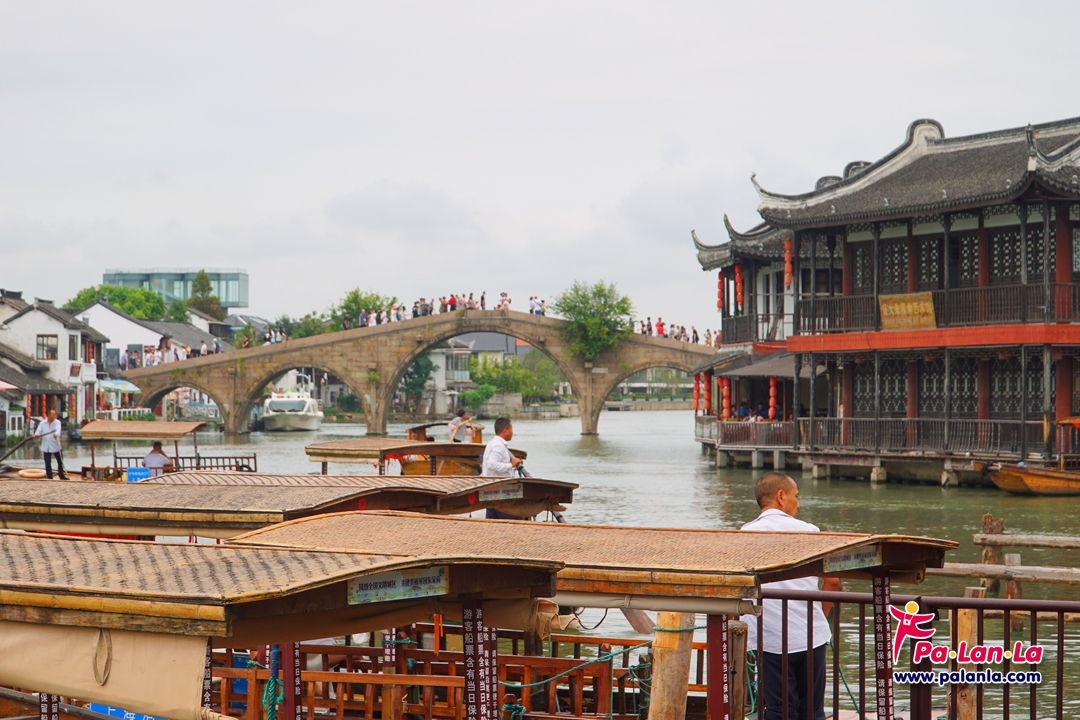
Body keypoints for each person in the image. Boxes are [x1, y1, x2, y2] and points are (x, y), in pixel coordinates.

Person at [740, 473, 840, 720]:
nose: (799, 503)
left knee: (778, 708)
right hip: (811, 634)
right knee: (812, 710)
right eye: (796, 496)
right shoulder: (809, 531)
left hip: (769, 636)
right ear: (781, 497)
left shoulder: (745, 534)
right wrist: (819, 616)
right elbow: (833, 582)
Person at [33, 409, 67, 480]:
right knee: (47, 462)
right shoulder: (43, 423)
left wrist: (56, 434)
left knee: (60, 461)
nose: (55, 416)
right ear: (49, 415)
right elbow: (38, 431)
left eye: (55, 414)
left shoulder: (57, 422)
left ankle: (61, 475)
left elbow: (58, 429)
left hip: (56, 445)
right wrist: (36, 435)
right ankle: (50, 477)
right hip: (46, 446)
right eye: (53, 414)